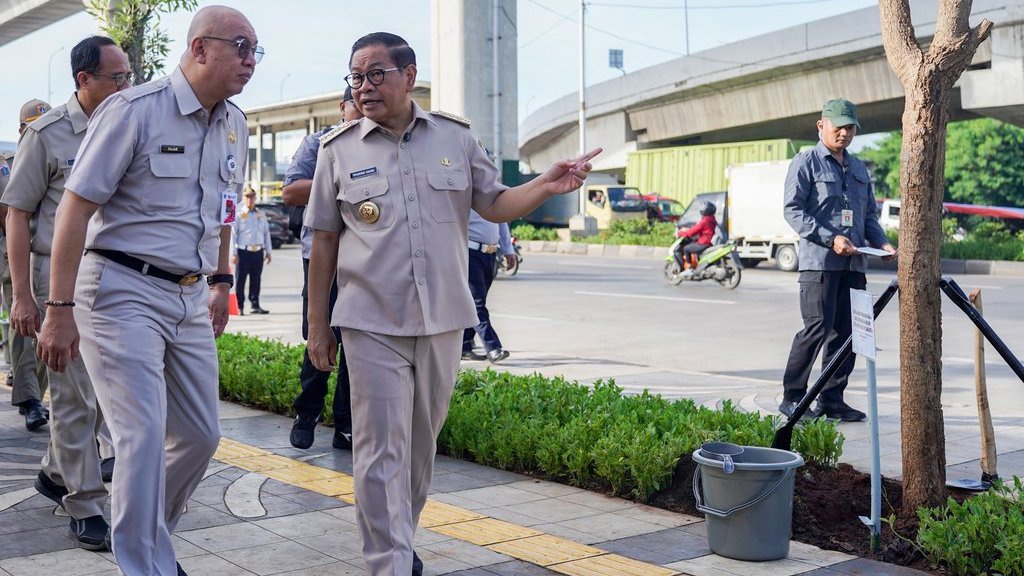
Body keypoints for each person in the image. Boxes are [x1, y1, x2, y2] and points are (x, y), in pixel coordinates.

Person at [305, 31, 599, 576]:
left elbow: (495, 202)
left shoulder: (455, 139)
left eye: (376, 75)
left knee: (419, 451)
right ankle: (387, 563)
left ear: (409, 75)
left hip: (443, 318)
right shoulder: (338, 151)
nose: (364, 88)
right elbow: (323, 239)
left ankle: (400, 543)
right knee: (378, 451)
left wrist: (546, 184)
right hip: (371, 321)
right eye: (356, 77)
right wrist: (317, 326)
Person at [36, 6, 258, 574]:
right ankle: (145, 564)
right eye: (242, 47)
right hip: (120, 289)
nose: (250, 62)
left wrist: (221, 278)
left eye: (257, 51)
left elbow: (225, 210)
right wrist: (58, 308)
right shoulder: (134, 111)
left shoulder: (235, 121)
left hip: (187, 295)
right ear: (201, 48)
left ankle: (148, 538)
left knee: (201, 435)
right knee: (140, 434)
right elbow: (75, 209)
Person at [3, 35, 130, 550]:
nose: (128, 85)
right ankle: (83, 501)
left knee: (100, 392)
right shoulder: (48, 134)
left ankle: (56, 471)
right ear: (84, 80)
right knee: (75, 394)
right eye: (117, 77)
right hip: (58, 280)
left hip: (111, 280)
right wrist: (24, 297)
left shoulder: (125, 124)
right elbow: (18, 214)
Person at [779, 98, 895, 422]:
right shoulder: (806, 162)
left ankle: (831, 399)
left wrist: (882, 242)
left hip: (855, 263)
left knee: (847, 335)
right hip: (820, 263)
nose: (844, 133)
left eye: (850, 128)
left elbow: (868, 214)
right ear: (821, 125)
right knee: (817, 328)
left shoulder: (858, 168)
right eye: (838, 126)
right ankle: (792, 398)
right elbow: (793, 210)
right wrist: (832, 238)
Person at [281, 87, 361, 451]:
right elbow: (292, 191)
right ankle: (307, 413)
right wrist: (346, 184)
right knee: (320, 340)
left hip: (365, 261)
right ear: (342, 107)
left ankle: (346, 425)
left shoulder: (383, 145)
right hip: (322, 259)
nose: (361, 110)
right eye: (355, 103)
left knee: (358, 346)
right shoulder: (319, 143)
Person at [3, 99, 52, 432]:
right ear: (22, 129)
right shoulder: (8, 163)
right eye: (32, 125)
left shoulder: (56, 156)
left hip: (49, 257)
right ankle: (29, 397)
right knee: (23, 325)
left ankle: (35, 392)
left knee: (49, 327)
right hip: (13, 256)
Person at [461, 210, 513, 362]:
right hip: (470, 252)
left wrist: (508, 250)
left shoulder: (491, 191)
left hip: (490, 254)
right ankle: (493, 348)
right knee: (477, 303)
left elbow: (502, 220)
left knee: (476, 302)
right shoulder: (466, 191)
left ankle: (465, 345)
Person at [232, 188, 272, 314]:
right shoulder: (238, 214)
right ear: (243, 199)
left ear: (255, 198)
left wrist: (268, 252)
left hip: (258, 252)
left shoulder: (261, 214)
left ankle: (255, 305)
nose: (250, 199)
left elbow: (266, 234)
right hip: (243, 252)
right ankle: (240, 306)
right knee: (240, 280)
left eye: (252, 197)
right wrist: (234, 253)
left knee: (256, 280)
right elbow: (234, 235)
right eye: (247, 197)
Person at [675, 201, 717, 277]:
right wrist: (688, 229)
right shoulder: (711, 219)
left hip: (703, 242)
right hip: (708, 241)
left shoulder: (705, 221)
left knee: (686, 248)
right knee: (693, 243)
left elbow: (692, 232)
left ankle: (689, 268)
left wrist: (680, 233)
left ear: (705, 210)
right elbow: (698, 228)